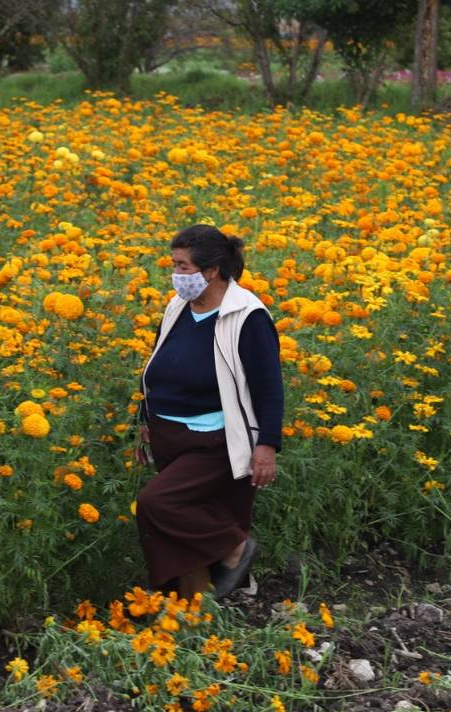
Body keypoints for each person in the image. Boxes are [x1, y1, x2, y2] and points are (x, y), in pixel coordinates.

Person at [135, 224, 284, 601]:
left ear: (212, 270)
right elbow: (157, 365)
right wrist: (144, 419)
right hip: (169, 434)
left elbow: (269, 387)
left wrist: (267, 445)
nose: (176, 275)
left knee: (158, 504)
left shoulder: (246, 316)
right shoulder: (178, 307)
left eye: (182, 266)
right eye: (174, 264)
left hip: (214, 440)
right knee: (175, 525)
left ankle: (235, 546)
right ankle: (190, 609)